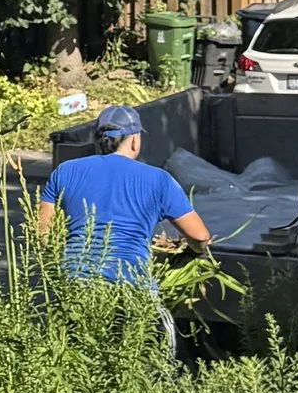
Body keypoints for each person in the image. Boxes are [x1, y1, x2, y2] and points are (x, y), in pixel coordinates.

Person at [32, 107, 210, 295]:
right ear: (135, 140)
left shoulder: (65, 171)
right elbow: (200, 236)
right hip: (131, 283)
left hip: (75, 282)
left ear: (98, 141)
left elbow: (42, 234)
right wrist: (196, 251)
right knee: (156, 325)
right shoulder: (159, 180)